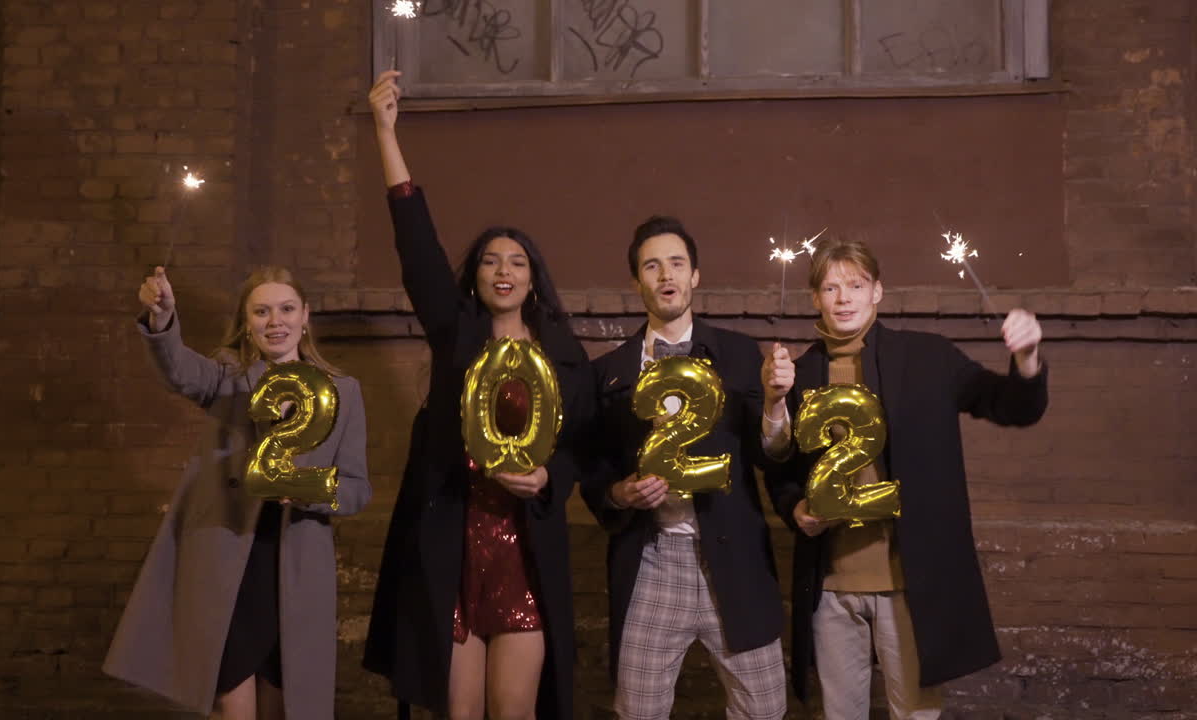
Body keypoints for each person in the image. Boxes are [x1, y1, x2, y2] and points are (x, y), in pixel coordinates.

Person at [361, 70, 595, 720]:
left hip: (523, 551)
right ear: (476, 276)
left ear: (534, 278)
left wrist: (549, 475)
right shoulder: (457, 334)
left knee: (515, 711)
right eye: (491, 260)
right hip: (450, 546)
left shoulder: (562, 355)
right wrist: (386, 133)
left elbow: (581, 446)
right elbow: (417, 246)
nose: (503, 270)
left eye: (517, 261)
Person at [769, 235, 1047, 719]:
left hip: (908, 583)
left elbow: (1011, 406)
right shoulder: (800, 373)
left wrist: (1027, 357)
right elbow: (783, 470)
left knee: (914, 713)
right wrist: (795, 508)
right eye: (831, 288)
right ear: (815, 298)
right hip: (832, 587)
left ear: (877, 291)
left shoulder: (928, 358)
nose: (844, 298)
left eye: (855, 285)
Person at [103, 265, 371, 720]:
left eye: (286, 309)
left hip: (294, 564)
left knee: (281, 704)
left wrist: (306, 490)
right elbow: (180, 372)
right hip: (226, 561)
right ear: (247, 322)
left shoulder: (343, 392)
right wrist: (163, 319)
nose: (275, 321)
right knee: (232, 700)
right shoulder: (228, 376)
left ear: (305, 316)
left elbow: (357, 490)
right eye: (261, 311)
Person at [580, 215, 792, 720]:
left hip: (733, 558)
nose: (666, 275)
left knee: (764, 710)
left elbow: (773, 455)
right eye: (652, 266)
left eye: (676, 263)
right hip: (652, 560)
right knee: (639, 711)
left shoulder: (741, 356)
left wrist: (776, 403)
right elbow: (592, 469)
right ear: (638, 281)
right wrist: (618, 493)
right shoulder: (609, 372)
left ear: (695, 275)